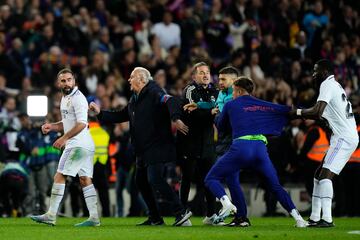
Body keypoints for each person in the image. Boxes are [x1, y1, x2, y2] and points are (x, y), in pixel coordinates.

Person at [89, 67, 192, 226]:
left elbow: (169, 100)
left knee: (155, 179)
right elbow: (121, 115)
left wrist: (176, 119)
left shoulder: (154, 91)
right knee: (141, 181)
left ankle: (181, 212)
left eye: (132, 77)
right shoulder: (135, 98)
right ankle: (155, 218)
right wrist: (100, 113)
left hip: (157, 145)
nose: (129, 80)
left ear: (142, 80)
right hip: (143, 149)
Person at [204, 76, 308, 228]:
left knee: (211, 179)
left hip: (241, 148)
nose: (232, 94)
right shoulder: (261, 105)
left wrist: (215, 115)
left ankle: (226, 204)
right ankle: (298, 219)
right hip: (260, 149)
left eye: (233, 91)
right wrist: (304, 112)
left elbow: (221, 126)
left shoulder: (230, 105)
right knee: (276, 186)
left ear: (238, 91)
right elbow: (283, 110)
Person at [290, 59, 359, 227]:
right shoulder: (334, 85)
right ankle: (314, 217)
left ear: (325, 71)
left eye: (316, 70)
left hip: (344, 136)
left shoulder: (327, 85)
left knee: (325, 175)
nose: (314, 74)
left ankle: (327, 219)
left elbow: (317, 111)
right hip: (341, 135)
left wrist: (297, 112)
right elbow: (322, 115)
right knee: (318, 174)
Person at [30, 68, 100, 227]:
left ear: (74, 81)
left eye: (69, 79)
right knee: (85, 179)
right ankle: (94, 217)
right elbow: (68, 123)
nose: (66, 83)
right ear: (58, 83)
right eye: (63, 80)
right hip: (84, 143)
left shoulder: (78, 98)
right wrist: (52, 127)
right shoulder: (65, 98)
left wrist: (63, 138)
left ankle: (51, 215)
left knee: (59, 175)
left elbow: (82, 123)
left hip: (78, 143)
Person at [177, 62, 218, 225]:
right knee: (186, 178)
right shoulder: (189, 90)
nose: (206, 75)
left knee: (209, 179)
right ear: (194, 76)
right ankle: (181, 213)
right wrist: (210, 112)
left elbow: (218, 108)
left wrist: (204, 110)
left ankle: (211, 215)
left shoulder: (215, 90)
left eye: (207, 72)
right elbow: (191, 113)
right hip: (190, 142)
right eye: (201, 73)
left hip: (208, 143)